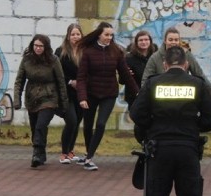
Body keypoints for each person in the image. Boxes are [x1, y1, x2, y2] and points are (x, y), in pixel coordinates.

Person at [129, 46, 211, 196]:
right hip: (187, 150)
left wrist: (153, 128)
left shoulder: (153, 83)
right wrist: (192, 127)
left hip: (159, 151)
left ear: (166, 64)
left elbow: (136, 114)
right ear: (186, 64)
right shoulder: (197, 84)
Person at [76, 22, 139, 171]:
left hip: (109, 93)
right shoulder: (88, 52)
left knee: (101, 124)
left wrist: (137, 92)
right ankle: (87, 153)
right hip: (91, 93)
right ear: (99, 34)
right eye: (106, 34)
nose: (109, 37)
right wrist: (82, 97)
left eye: (111, 35)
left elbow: (125, 74)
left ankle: (89, 158)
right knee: (88, 125)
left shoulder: (116, 51)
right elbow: (81, 77)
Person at [13, 34, 68, 167]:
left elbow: (61, 82)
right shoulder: (26, 60)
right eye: (36, 45)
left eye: (41, 46)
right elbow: (19, 80)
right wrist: (17, 100)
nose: (38, 48)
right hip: (32, 98)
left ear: (46, 47)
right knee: (35, 128)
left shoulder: (53, 60)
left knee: (40, 125)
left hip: (49, 98)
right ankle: (40, 154)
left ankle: (36, 153)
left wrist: (63, 103)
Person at [141, 27, 211, 93]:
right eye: (170, 40)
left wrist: (209, 90)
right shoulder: (155, 57)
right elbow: (145, 81)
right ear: (165, 41)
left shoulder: (187, 55)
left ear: (179, 41)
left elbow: (199, 74)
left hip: (182, 96)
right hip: (161, 97)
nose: (173, 42)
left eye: (176, 40)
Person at [55, 23, 84, 163]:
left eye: (78, 34)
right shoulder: (60, 52)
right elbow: (56, 73)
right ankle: (64, 153)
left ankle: (71, 151)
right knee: (71, 121)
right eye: (73, 34)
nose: (75, 37)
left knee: (77, 121)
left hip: (81, 93)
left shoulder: (85, 51)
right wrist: (70, 82)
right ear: (68, 36)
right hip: (65, 93)